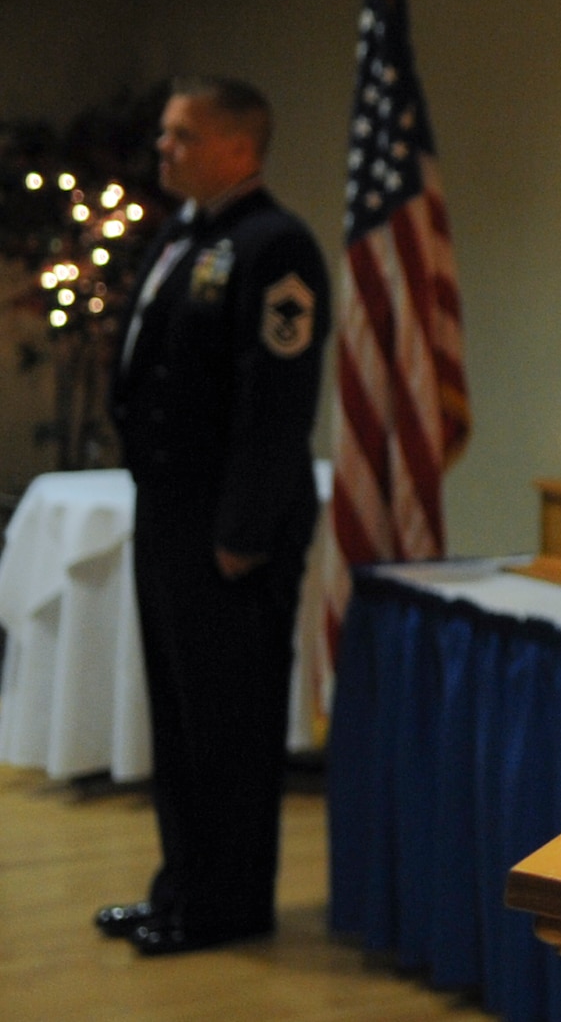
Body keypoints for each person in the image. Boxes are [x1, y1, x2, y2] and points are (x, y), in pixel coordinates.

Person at [100, 77, 329, 955]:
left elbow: (276, 406)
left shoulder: (276, 247)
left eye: (182, 135)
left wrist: (241, 531)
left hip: (229, 531)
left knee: (228, 722)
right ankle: (180, 888)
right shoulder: (186, 233)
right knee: (180, 714)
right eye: (164, 133)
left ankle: (226, 904)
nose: (164, 149)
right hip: (170, 515)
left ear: (240, 147)